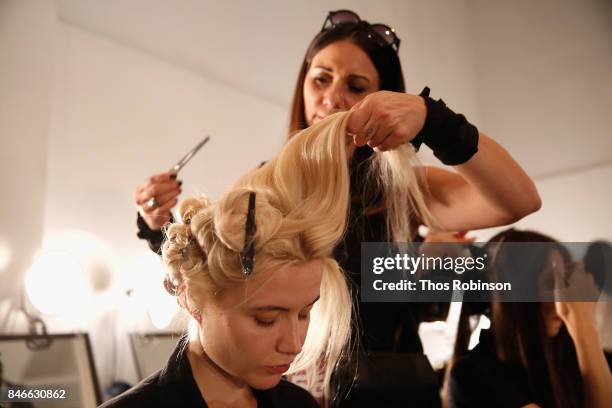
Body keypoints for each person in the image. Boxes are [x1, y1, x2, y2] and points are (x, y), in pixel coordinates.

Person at [133, 9, 541, 404]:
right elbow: (215, 276)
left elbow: (519, 201)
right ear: (303, 85)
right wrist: (158, 227)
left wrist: (434, 119)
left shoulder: (400, 189)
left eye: (356, 86)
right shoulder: (265, 186)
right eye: (321, 79)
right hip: (295, 387)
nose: (332, 98)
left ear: (384, 97)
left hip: (393, 393)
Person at [448, 229, 612, 408]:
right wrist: (585, 327)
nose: (563, 298)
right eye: (551, 283)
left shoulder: (580, 360)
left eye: (565, 282)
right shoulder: (474, 376)